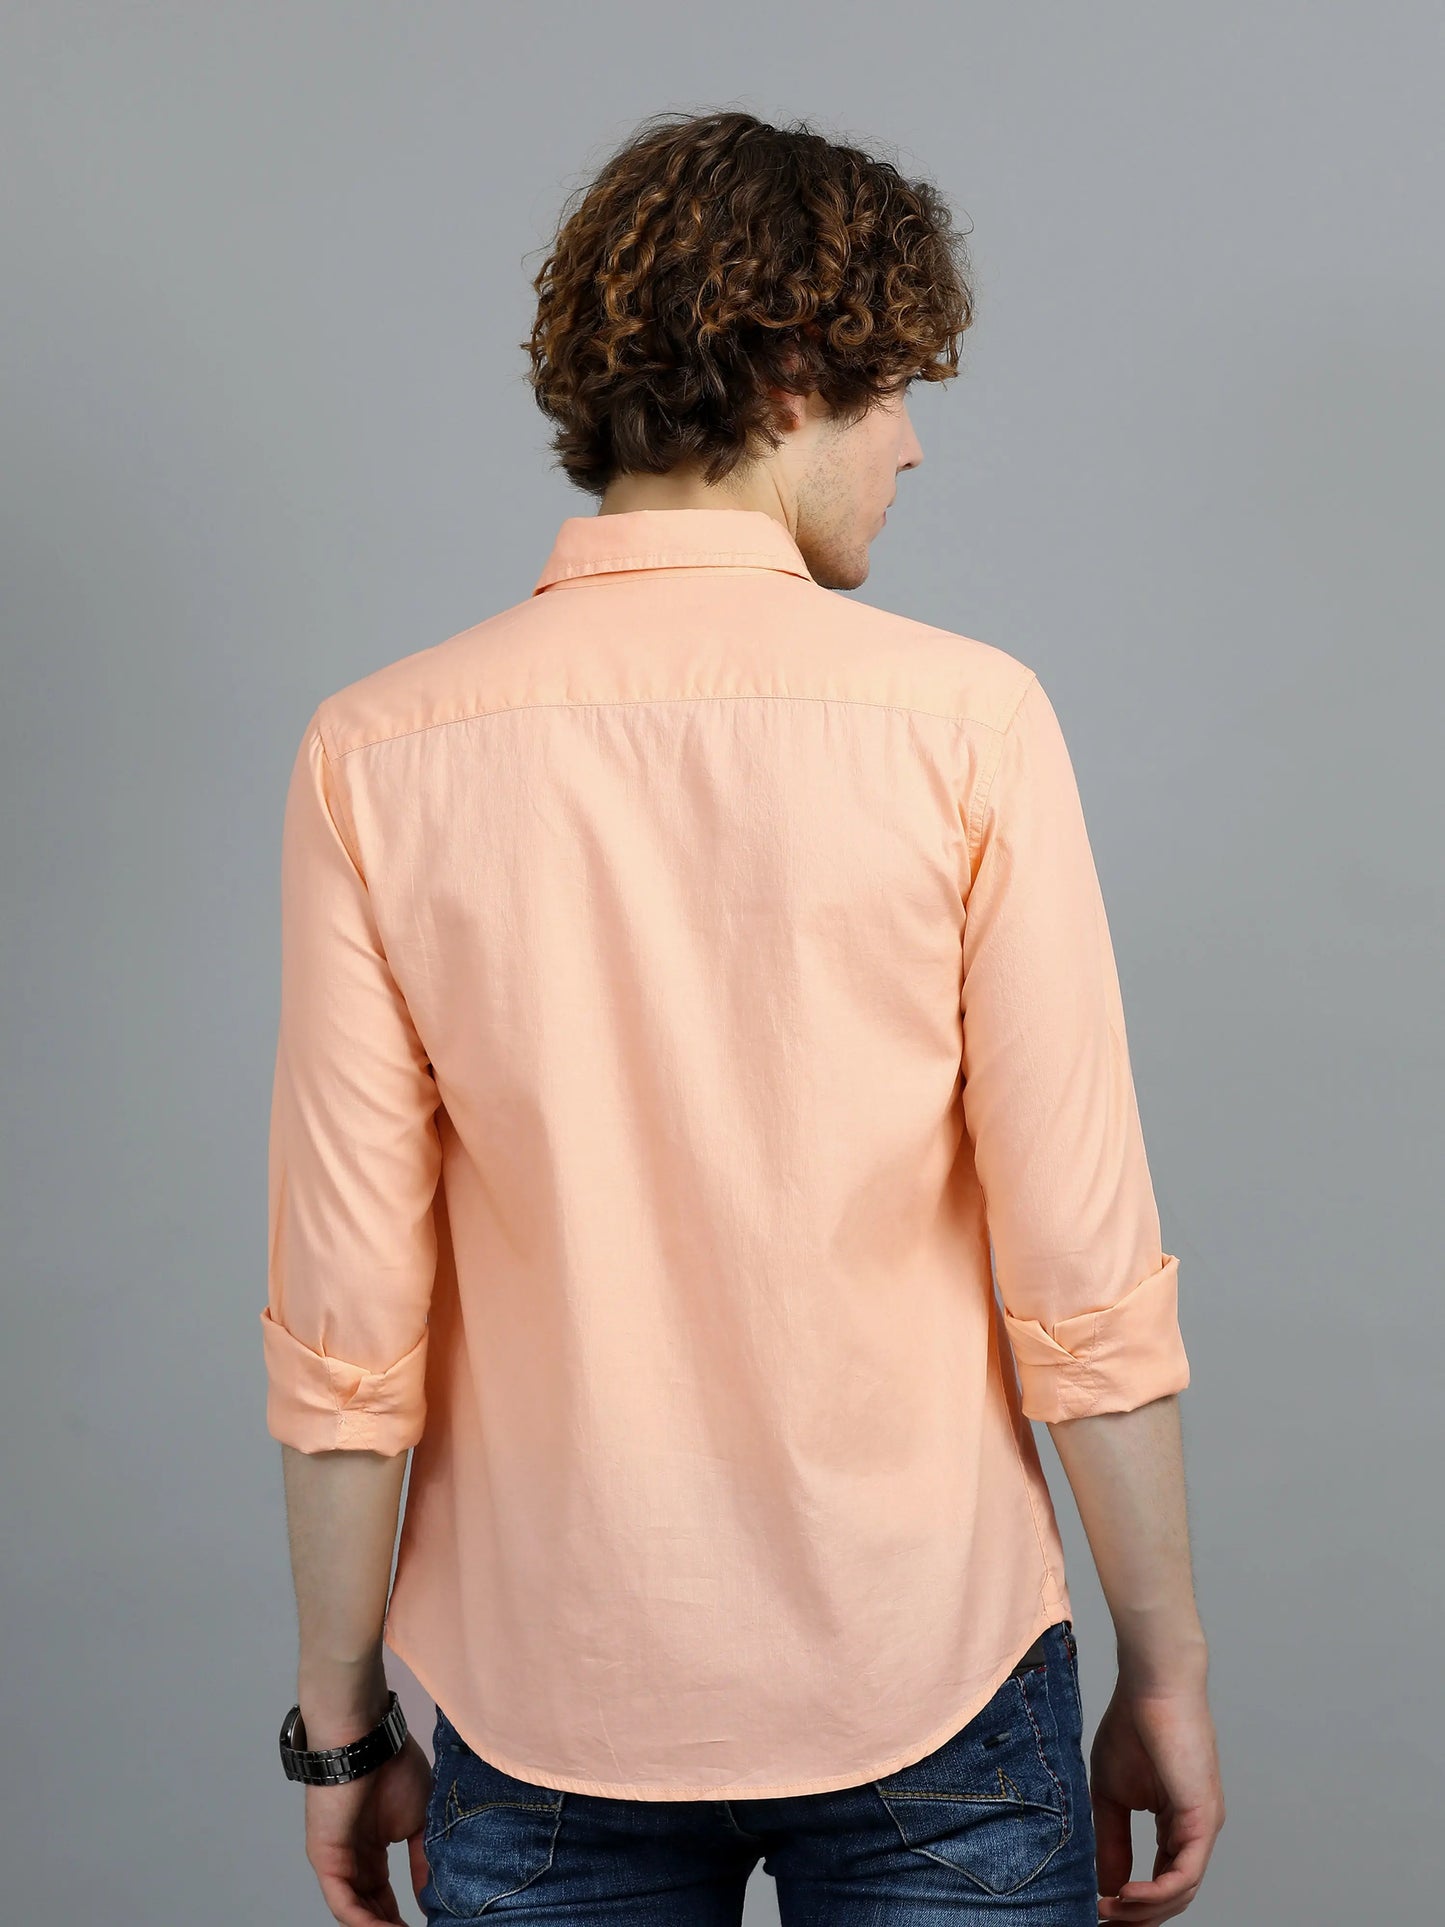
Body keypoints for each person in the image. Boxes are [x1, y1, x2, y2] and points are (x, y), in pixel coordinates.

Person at [260, 108, 1225, 1926]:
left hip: (544, 1687)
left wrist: (340, 1720)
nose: (912, 441)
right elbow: (1080, 1273)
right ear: (792, 377)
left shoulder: (375, 753)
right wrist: (1162, 1669)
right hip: (930, 1662)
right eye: (893, 389)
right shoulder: (968, 724)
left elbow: (347, 1322)